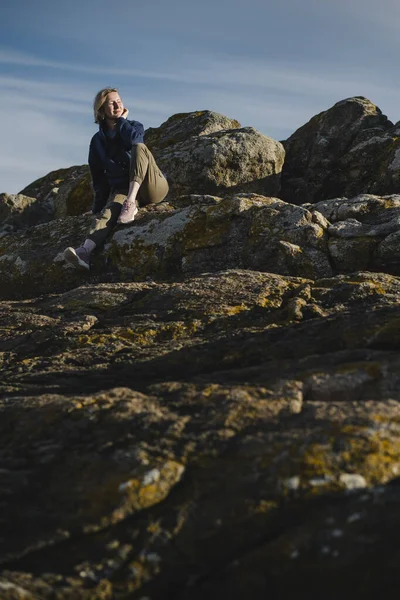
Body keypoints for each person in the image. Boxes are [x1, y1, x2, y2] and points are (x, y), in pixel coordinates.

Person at [64, 87, 169, 270]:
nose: (117, 104)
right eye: (111, 102)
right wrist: (97, 208)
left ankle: (131, 203)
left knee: (139, 148)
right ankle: (84, 252)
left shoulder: (134, 126)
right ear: (101, 110)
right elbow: (99, 178)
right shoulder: (97, 141)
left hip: (152, 185)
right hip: (123, 189)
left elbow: (135, 140)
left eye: (119, 101)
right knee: (108, 212)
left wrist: (122, 121)